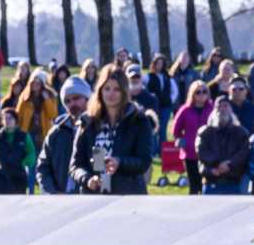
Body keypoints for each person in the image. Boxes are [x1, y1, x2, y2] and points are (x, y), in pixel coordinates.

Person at [68, 64, 157, 197]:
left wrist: (120, 162)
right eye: (107, 88)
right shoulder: (87, 122)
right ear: (100, 91)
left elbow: (144, 161)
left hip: (129, 196)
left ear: (124, 92)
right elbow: (75, 166)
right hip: (93, 199)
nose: (111, 94)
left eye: (116, 89)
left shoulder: (139, 120)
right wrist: (87, 179)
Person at [37, 76, 92, 193]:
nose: (72, 103)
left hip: (90, 198)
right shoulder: (56, 133)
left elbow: (100, 166)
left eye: (76, 98)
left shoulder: (98, 129)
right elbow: (43, 167)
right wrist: (53, 193)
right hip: (61, 200)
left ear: (87, 98)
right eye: (67, 101)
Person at [194, 94, 251, 194]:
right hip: (211, 182)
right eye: (219, 106)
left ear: (231, 110)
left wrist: (229, 164)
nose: (222, 109)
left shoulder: (241, 133)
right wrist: (216, 165)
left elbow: (244, 153)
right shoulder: (205, 132)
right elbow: (201, 152)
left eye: (225, 106)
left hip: (234, 182)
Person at [171, 81, 212, 195]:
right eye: (198, 92)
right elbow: (175, 130)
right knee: (194, 186)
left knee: (206, 184)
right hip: (190, 153)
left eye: (204, 91)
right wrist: (182, 140)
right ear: (192, 94)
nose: (201, 94)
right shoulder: (185, 110)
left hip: (208, 152)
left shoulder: (212, 109)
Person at [0, 107, 32, 193]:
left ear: (16, 120)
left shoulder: (24, 136)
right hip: (0, 175)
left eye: (10, 118)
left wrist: (24, 163)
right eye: (5, 118)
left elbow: (31, 153)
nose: (7, 120)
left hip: (19, 176)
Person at [15, 69, 58, 148]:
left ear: (43, 84)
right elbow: (18, 114)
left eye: (38, 83)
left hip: (44, 133)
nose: (35, 85)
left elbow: (52, 115)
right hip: (28, 133)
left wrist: (47, 100)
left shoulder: (51, 96)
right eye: (33, 82)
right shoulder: (25, 96)